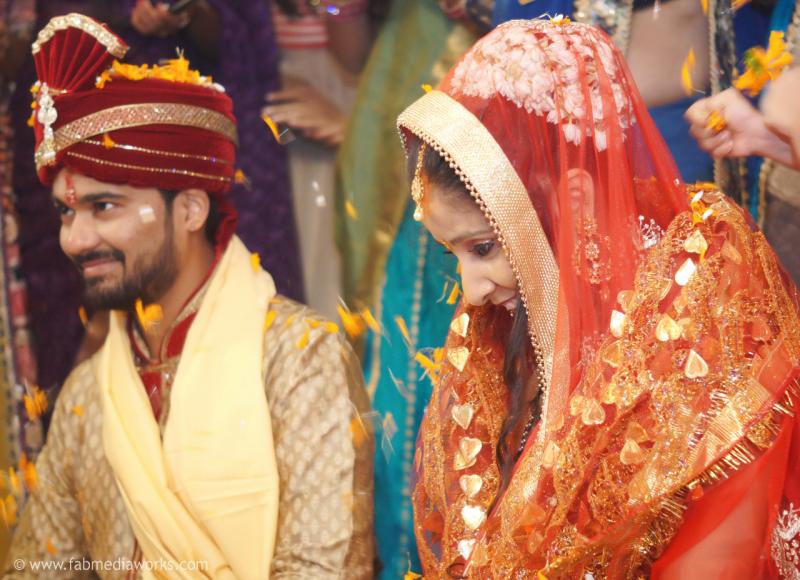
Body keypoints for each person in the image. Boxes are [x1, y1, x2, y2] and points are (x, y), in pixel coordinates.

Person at [398, 18, 800, 577]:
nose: (472, 291)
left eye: (484, 247)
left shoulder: (709, 310)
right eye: (454, 255)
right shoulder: (504, 325)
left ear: (575, 200)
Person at [2, 14, 373, 578]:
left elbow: (322, 568)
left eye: (104, 207)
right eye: (65, 213)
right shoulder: (88, 395)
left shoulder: (298, 360)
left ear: (192, 209)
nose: (74, 240)